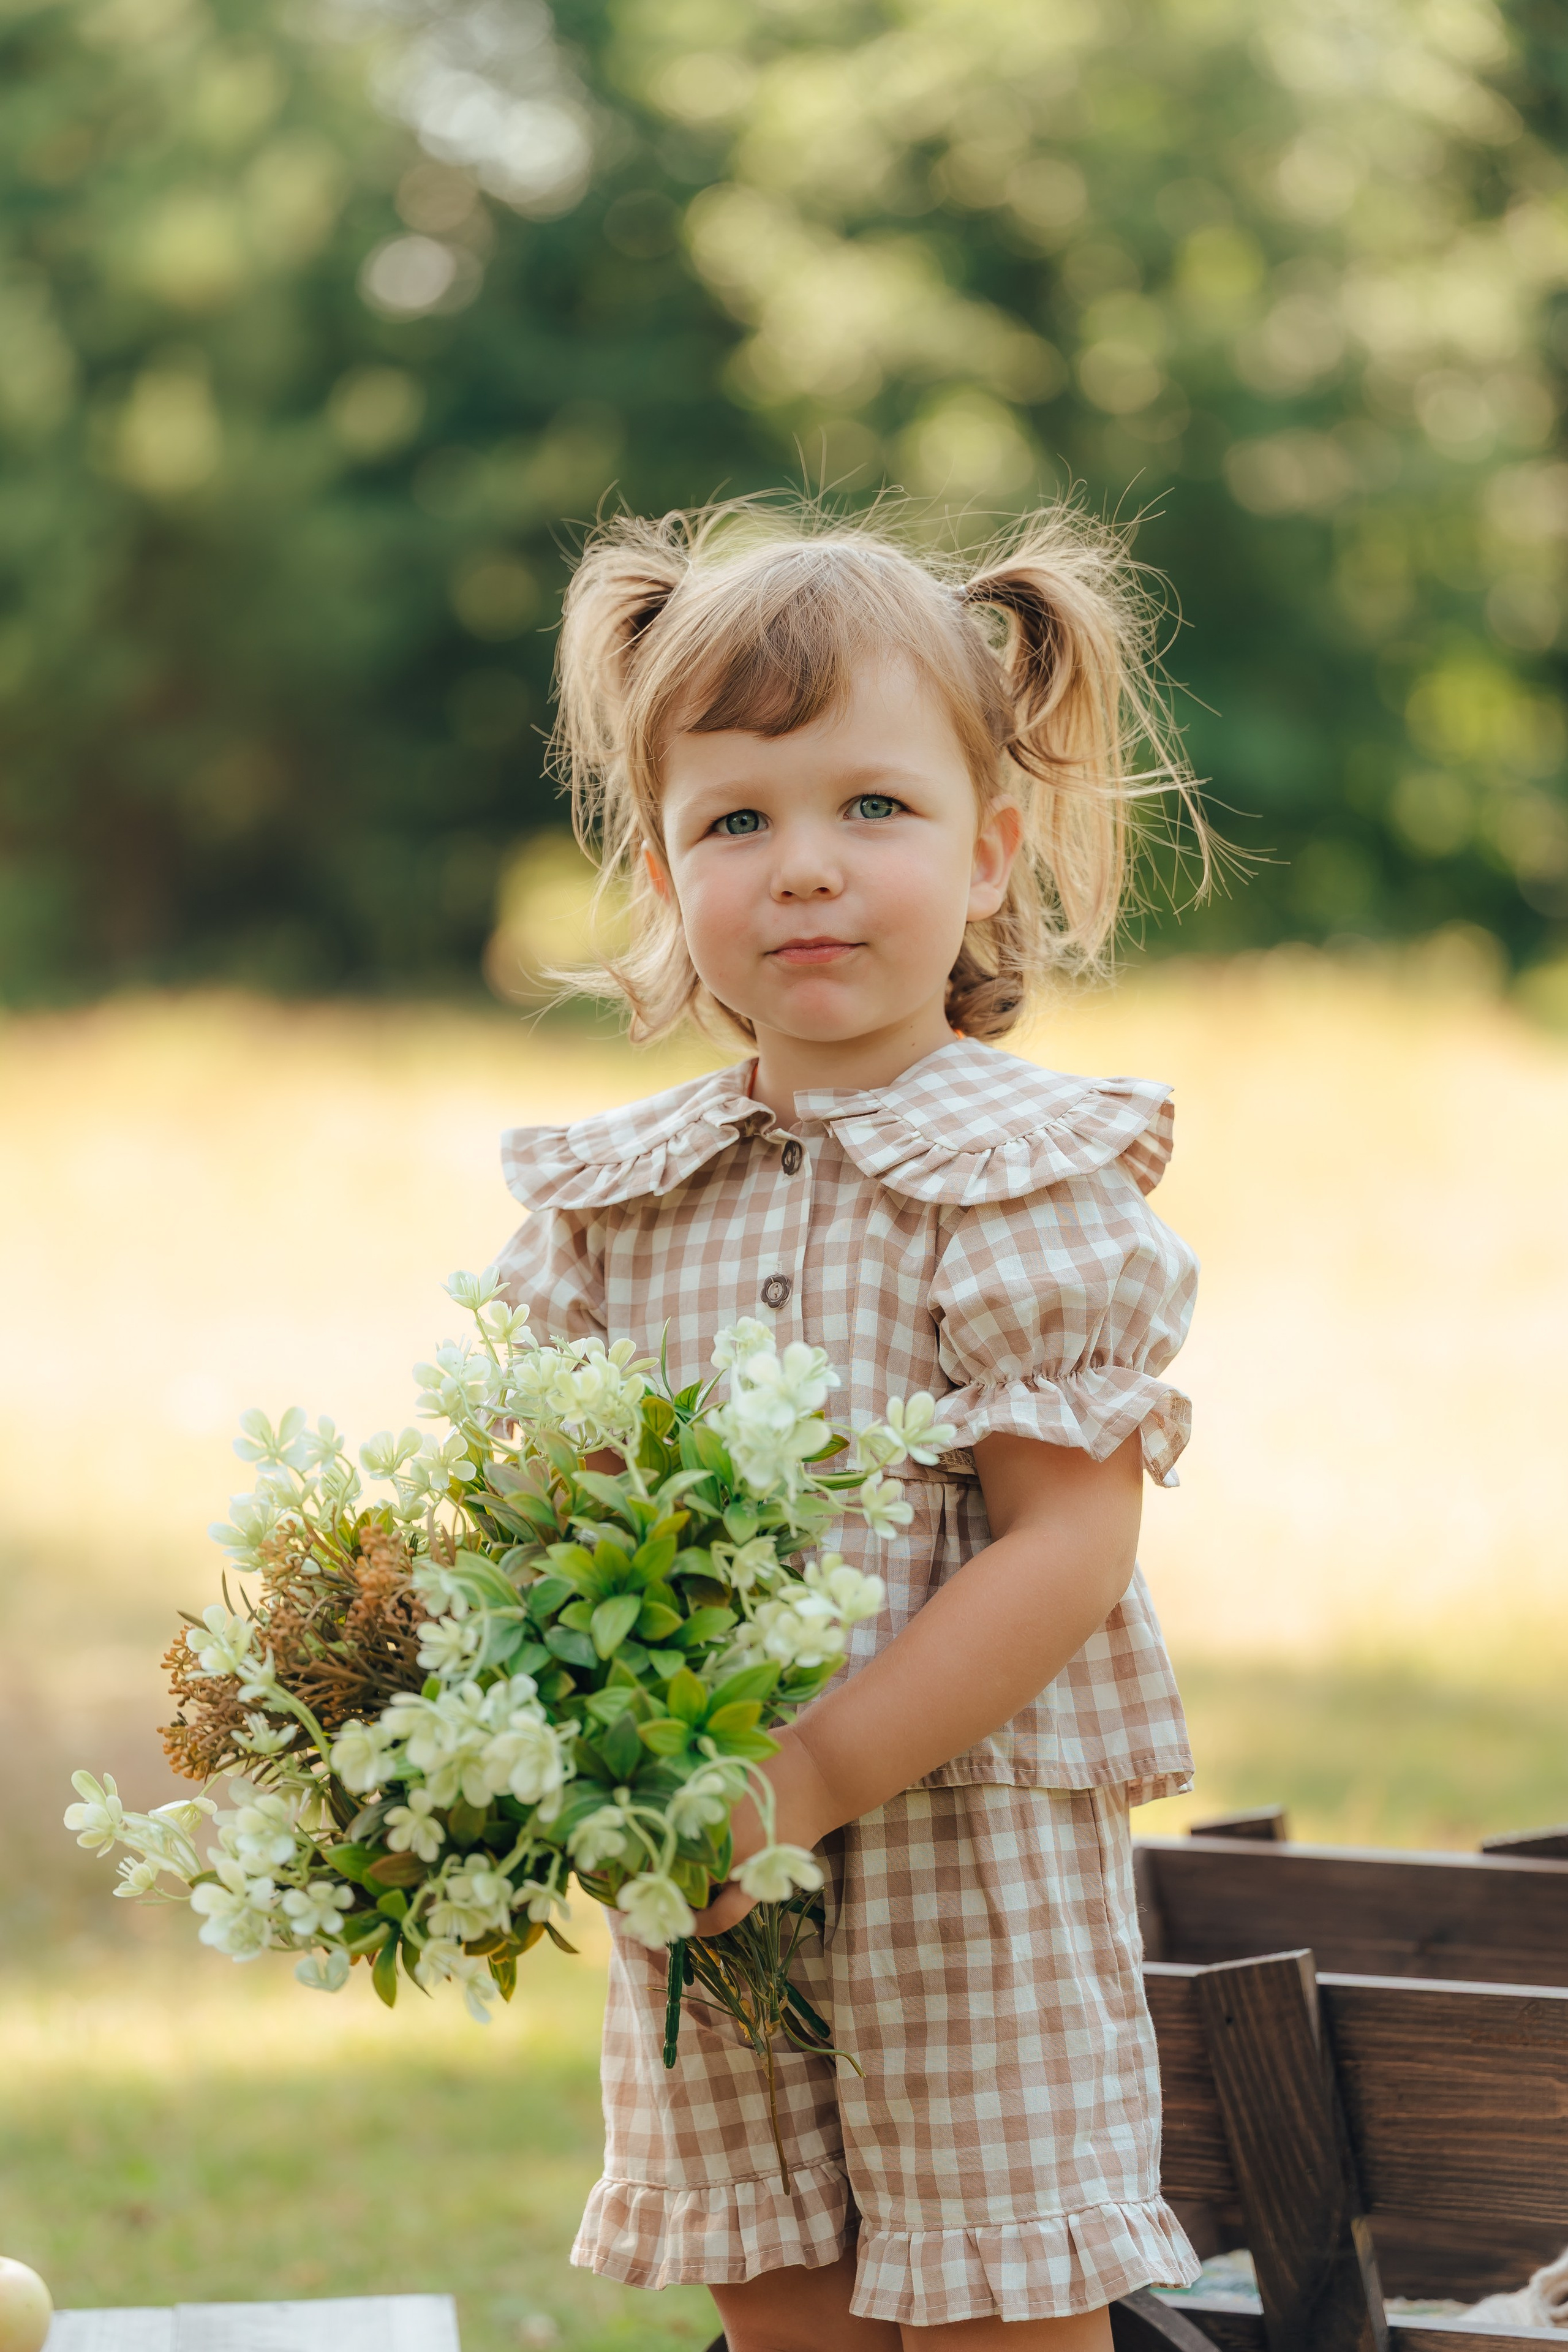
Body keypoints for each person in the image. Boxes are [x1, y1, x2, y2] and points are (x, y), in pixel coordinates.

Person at [493, 502, 1207, 2352]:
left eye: (870, 809)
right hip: (714, 1876)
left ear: (990, 856)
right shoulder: (610, 1204)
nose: (804, 867)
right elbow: (542, 1528)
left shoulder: (1021, 1177)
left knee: (996, 2308)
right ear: (662, 881)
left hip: (964, 1848)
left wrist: (809, 1774)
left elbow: (1069, 1540)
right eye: (738, 821)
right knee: (784, 2303)